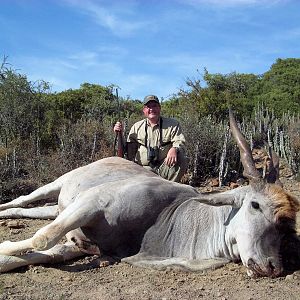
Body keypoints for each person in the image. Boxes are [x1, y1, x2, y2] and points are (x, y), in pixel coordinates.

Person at [114, 94, 188, 182]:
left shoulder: (173, 124)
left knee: (181, 157)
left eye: (154, 106)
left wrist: (174, 149)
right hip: (143, 170)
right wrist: (120, 134)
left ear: (159, 108)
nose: (152, 109)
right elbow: (127, 151)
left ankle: (169, 188)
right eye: (148, 107)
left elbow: (180, 141)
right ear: (144, 110)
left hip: (165, 168)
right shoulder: (136, 127)